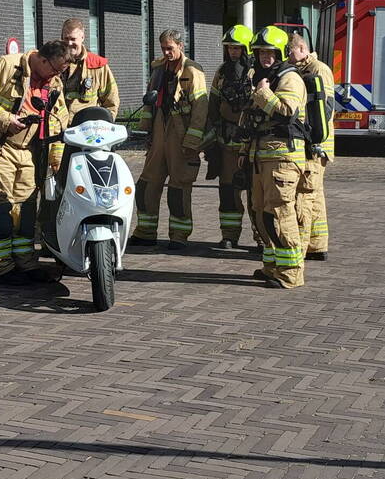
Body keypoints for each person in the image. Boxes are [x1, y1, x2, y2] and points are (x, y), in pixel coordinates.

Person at [0, 40, 71, 285]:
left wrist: (55, 157)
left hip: (30, 151)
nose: (57, 75)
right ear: (42, 60)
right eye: (55, 69)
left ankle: (26, 264)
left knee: (26, 210)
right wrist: (4, 119)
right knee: (0, 208)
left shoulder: (53, 80)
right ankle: (0, 270)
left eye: (61, 72)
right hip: (0, 148)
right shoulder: (6, 66)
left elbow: (60, 118)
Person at [239, 26, 310, 289]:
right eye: (260, 53)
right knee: (261, 214)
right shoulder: (263, 77)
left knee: (280, 214)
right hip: (261, 156)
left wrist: (263, 93)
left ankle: (291, 272)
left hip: (283, 158)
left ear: (280, 53)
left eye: (270, 52)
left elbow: (287, 112)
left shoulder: (289, 79)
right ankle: (272, 266)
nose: (264, 57)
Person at [129, 29, 208, 250]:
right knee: (146, 184)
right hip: (159, 129)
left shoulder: (193, 71)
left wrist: (192, 142)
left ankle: (179, 236)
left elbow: (201, 110)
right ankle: (145, 232)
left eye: (170, 48)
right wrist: (146, 132)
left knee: (179, 186)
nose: (166, 52)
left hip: (180, 133)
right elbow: (149, 102)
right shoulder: (158, 68)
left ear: (181, 46)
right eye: (163, 48)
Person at [287, 33, 336, 261]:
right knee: (314, 194)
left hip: (316, 143)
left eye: (291, 51)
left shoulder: (318, 70)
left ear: (303, 48)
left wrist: (314, 140)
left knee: (307, 193)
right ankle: (317, 245)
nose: (288, 56)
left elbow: (325, 109)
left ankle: (307, 246)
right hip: (313, 141)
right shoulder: (302, 68)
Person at [207, 25, 256, 249]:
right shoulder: (221, 71)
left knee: (257, 193)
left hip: (252, 142)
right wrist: (212, 137)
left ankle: (262, 238)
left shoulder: (256, 72)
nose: (233, 52)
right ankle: (229, 235)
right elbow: (213, 104)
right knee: (228, 191)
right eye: (230, 48)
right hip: (227, 141)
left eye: (237, 48)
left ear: (246, 49)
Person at [59, 18, 120, 120]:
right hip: (61, 129)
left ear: (82, 37)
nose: (69, 43)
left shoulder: (97, 65)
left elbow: (111, 100)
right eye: (66, 39)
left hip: (88, 130)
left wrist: (106, 125)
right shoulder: (54, 64)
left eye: (73, 39)